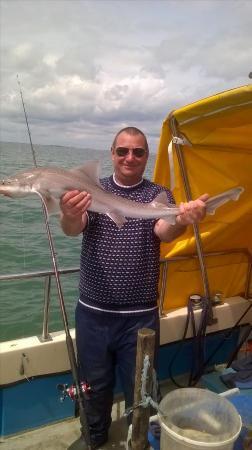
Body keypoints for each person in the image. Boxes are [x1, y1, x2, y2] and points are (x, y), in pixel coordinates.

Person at [60, 127, 208, 450]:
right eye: (122, 151)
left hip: (140, 317)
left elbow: (165, 231)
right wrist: (68, 213)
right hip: (94, 314)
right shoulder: (91, 190)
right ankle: (94, 438)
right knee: (94, 387)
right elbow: (73, 228)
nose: (130, 157)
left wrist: (183, 219)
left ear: (146, 157)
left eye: (138, 152)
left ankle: (136, 440)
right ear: (112, 153)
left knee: (140, 389)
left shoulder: (158, 194)